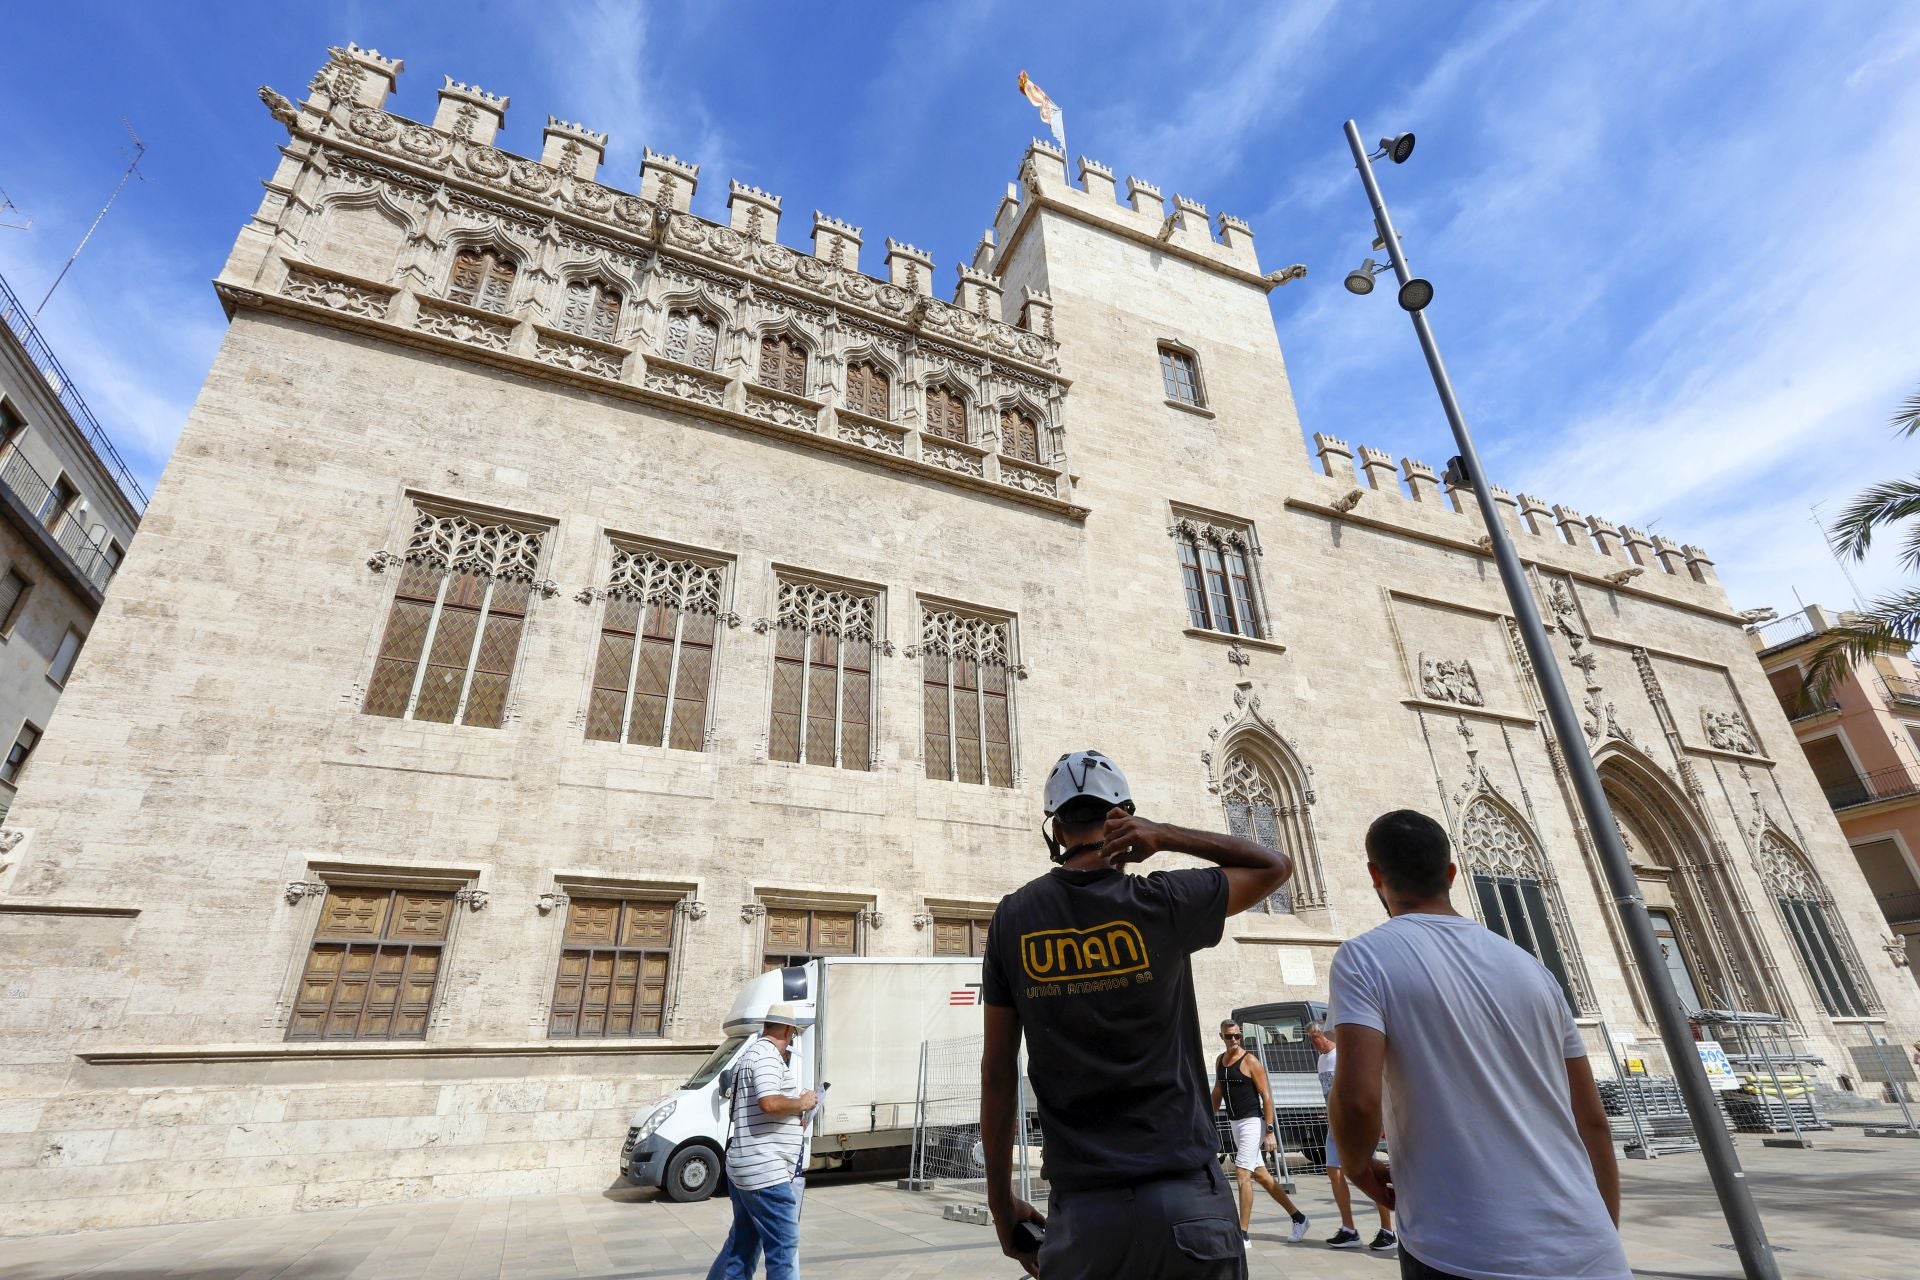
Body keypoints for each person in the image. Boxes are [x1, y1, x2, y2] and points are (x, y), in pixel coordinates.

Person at [980, 749, 1292, 1280]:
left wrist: (1001, 1203)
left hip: (1084, 1214)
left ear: (1055, 829)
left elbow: (997, 1073)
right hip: (1186, 1198)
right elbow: (1275, 865)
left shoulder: (1013, 919)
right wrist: (1165, 835)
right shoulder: (1164, 901)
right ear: (1123, 818)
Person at [1327, 810, 1630, 1280]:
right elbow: (1592, 1121)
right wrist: (1602, 1233)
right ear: (1450, 874)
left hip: (1465, 1251)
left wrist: (1357, 1167)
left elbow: (1357, 1102)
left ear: (1374, 876)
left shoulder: (1364, 958)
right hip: (1589, 1248)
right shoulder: (1535, 971)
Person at [706, 1002, 817, 1280]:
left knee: (742, 1244)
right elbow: (768, 1102)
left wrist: (794, 1111)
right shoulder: (768, 1056)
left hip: (745, 1166)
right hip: (765, 1172)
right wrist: (802, 1103)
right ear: (789, 1031)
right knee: (783, 1249)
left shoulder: (750, 1054)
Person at [1210, 1020, 1309, 1249]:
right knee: (1262, 1176)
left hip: (1252, 1123)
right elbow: (1217, 1092)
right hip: (1235, 1123)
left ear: (1240, 1036)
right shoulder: (1220, 1061)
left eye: (1236, 1036)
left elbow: (1267, 1097)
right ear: (1221, 1036)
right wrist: (1208, 1117)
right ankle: (1299, 1218)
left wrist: (1270, 1131)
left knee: (1242, 1173)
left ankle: (1242, 1234)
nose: (1233, 1040)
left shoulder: (1250, 1061)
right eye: (1228, 1036)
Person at [1304, 1021, 1394, 1252]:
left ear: (1326, 1034)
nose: (1315, 1042)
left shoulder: (1342, 1056)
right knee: (1333, 1172)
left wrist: (1378, 1120)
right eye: (1311, 1038)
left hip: (1355, 1126)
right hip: (1335, 1125)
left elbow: (1369, 1085)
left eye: (1317, 1036)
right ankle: (1349, 1229)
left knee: (1369, 1171)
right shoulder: (1322, 1060)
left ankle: (1388, 1230)